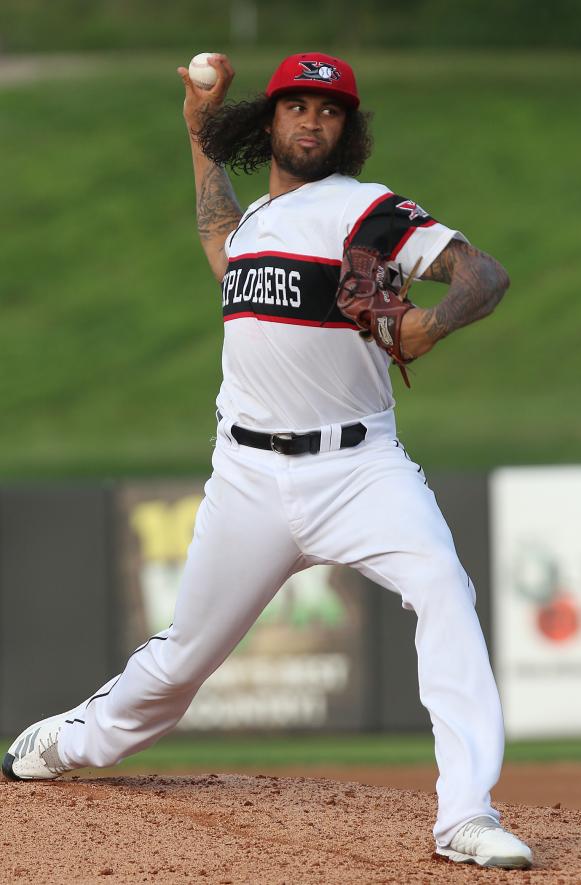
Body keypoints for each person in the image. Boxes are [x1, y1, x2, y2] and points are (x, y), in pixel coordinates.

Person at [3, 52, 532, 870]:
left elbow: (483, 273)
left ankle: (465, 812)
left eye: (330, 109)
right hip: (248, 479)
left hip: (360, 472)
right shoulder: (252, 225)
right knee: (182, 659)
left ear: (348, 131)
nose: (313, 119)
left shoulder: (367, 211)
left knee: (441, 585)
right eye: (297, 105)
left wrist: (428, 323)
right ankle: (71, 738)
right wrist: (195, 131)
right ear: (271, 119)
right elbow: (218, 236)